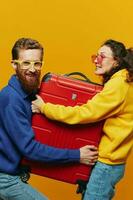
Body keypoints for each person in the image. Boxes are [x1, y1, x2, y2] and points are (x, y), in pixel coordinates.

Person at [32, 39, 133, 200]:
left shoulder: (119, 84)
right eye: (96, 56)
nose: (96, 60)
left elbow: (84, 113)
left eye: (103, 56)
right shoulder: (125, 80)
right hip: (112, 162)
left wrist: (44, 108)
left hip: (107, 165)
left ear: (117, 62)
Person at [0, 38, 98, 200]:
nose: (32, 69)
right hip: (5, 179)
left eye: (37, 64)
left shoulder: (29, 94)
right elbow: (30, 149)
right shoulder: (11, 99)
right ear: (14, 64)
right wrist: (77, 155)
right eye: (26, 63)